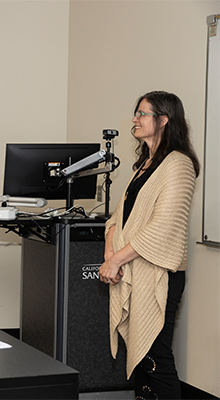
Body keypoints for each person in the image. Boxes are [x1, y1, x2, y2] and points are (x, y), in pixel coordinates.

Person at [99, 91, 199, 399]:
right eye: (136, 113)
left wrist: (116, 261)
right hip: (131, 268)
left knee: (155, 357)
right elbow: (118, 215)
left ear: (163, 120)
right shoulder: (145, 164)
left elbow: (163, 227)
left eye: (142, 114)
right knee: (140, 360)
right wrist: (110, 253)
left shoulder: (178, 164)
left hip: (158, 274)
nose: (135, 119)